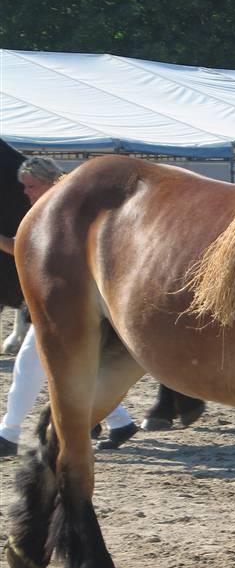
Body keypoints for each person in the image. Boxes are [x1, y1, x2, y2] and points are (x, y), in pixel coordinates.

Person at [0, 156, 138, 457]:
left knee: (31, 366)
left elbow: (35, 253)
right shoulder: (61, 207)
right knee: (64, 370)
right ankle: (120, 421)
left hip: (68, 303)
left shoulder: (62, 210)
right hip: (69, 302)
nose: (26, 192)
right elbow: (27, 249)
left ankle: (8, 434)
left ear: (49, 181)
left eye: (30, 186)